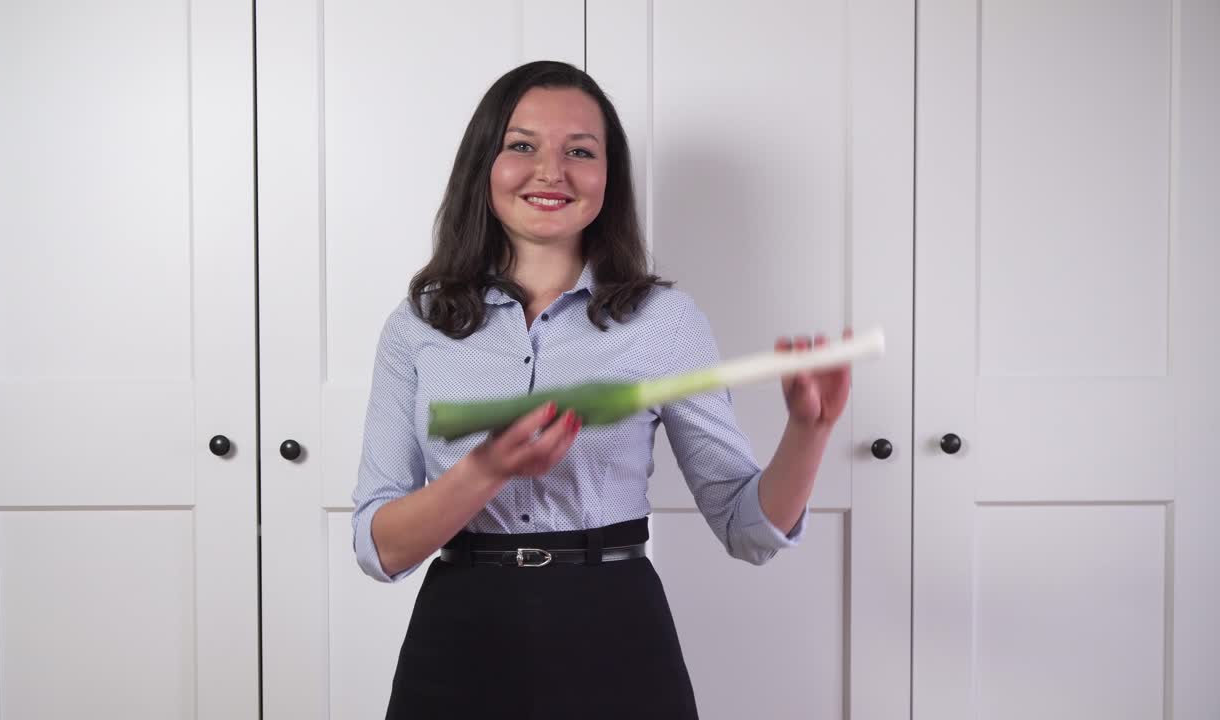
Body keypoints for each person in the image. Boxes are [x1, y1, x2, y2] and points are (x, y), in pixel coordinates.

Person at [350, 60, 851, 719]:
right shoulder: (417, 326)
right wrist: (487, 470)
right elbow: (379, 545)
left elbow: (746, 528)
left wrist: (808, 432)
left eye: (579, 151)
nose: (551, 171)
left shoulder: (662, 322)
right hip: (458, 637)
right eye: (521, 145)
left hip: (615, 633)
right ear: (484, 166)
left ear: (606, 179)